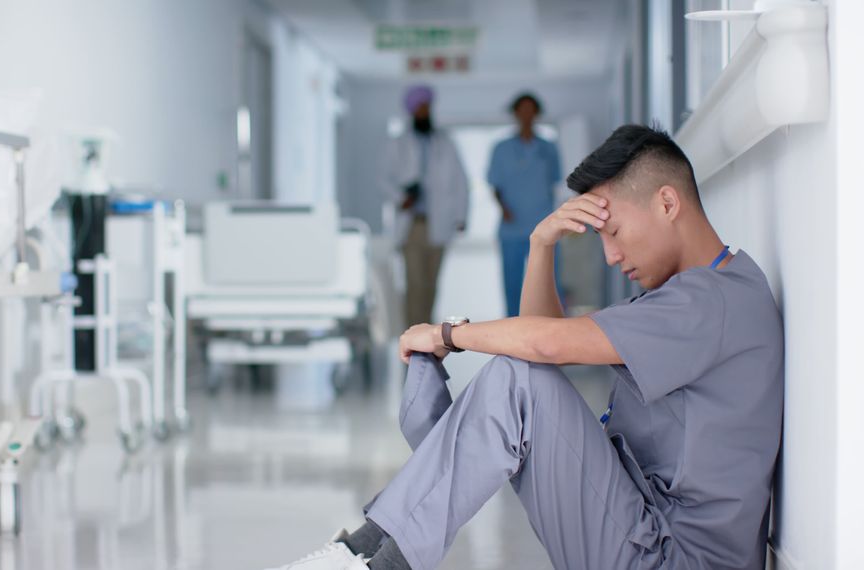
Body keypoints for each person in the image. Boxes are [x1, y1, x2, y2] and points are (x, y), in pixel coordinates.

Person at [266, 125, 784, 570]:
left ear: (667, 202)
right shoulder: (693, 292)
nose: (610, 256)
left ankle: (371, 559)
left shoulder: (710, 301)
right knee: (518, 379)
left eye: (616, 232)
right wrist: (541, 244)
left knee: (520, 378)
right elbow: (541, 344)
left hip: (671, 555)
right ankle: (367, 553)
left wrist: (448, 334)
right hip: (644, 526)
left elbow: (545, 343)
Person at [382, 85, 469, 327]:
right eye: (420, 107)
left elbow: (460, 181)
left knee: (431, 282)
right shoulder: (398, 143)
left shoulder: (445, 143)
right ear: (411, 111)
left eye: (427, 107)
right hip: (412, 224)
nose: (425, 111)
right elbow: (384, 180)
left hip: (439, 222)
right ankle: (412, 333)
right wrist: (402, 197)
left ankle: (426, 329)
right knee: (415, 282)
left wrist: (461, 217)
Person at [487, 93, 562, 317]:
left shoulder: (548, 148)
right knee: (512, 284)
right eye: (522, 109)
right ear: (516, 113)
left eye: (531, 109)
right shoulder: (501, 148)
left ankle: (549, 327)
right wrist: (504, 209)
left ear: (537, 113)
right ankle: (514, 328)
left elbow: (555, 182)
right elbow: (495, 185)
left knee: (548, 281)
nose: (527, 114)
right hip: (512, 226)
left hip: (543, 222)